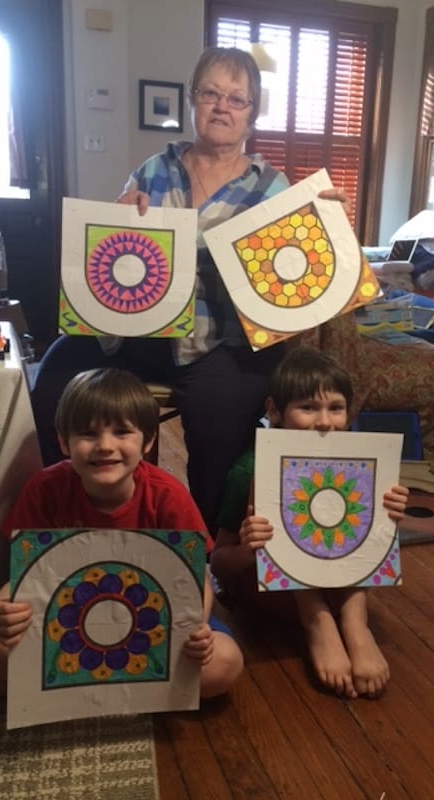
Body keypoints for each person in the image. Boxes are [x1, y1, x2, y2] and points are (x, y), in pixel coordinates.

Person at [30, 45, 346, 537]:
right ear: (193, 101)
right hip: (140, 332)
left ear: (251, 114)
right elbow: (119, 251)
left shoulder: (273, 187)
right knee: (56, 372)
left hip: (220, 340)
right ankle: (78, 512)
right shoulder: (156, 169)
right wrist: (119, 219)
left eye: (236, 99)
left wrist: (325, 228)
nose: (222, 106)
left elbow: (299, 284)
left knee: (220, 418)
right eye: (211, 93)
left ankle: (202, 542)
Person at [0, 368, 244, 704]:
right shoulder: (44, 489)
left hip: (156, 623)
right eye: (87, 433)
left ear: (147, 441)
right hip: (65, 622)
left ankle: (70, 689)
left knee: (225, 664)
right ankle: (127, 690)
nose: (104, 446)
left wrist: (196, 626)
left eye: (121, 432)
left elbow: (196, 579)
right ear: (63, 442)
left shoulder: (167, 495)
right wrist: (3, 608)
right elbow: (23, 572)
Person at [210, 346, 409, 699]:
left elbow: (369, 548)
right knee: (279, 501)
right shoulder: (248, 469)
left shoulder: (359, 460)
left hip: (340, 585)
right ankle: (316, 618)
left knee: (355, 516)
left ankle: (354, 621)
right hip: (275, 593)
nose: (324, 422)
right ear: (274, 410)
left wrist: (387, 514)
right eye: (307, 407)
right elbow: (220, 565)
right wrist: (249, 548)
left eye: (335, 408)